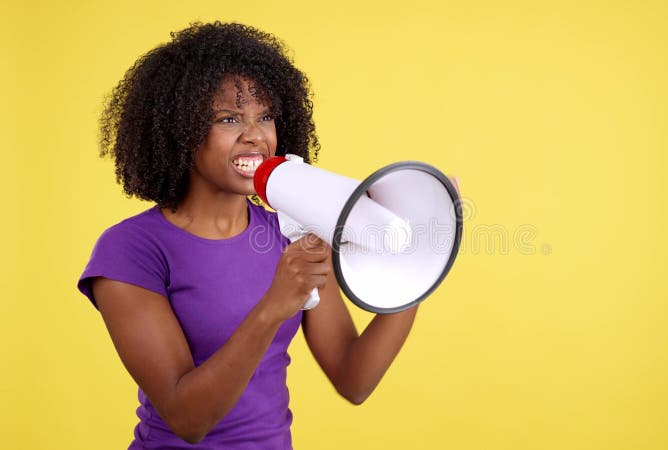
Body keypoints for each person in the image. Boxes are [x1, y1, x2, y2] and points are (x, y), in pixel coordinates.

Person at [78, 22, 445, 449]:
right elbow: (187, 418)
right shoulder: (130, 250)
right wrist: (274, 305)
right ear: (180, 133)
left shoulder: (292, 232)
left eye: (265, 116)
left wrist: (418, 264)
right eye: (228, 119)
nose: (255, 135)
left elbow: (353, 378)